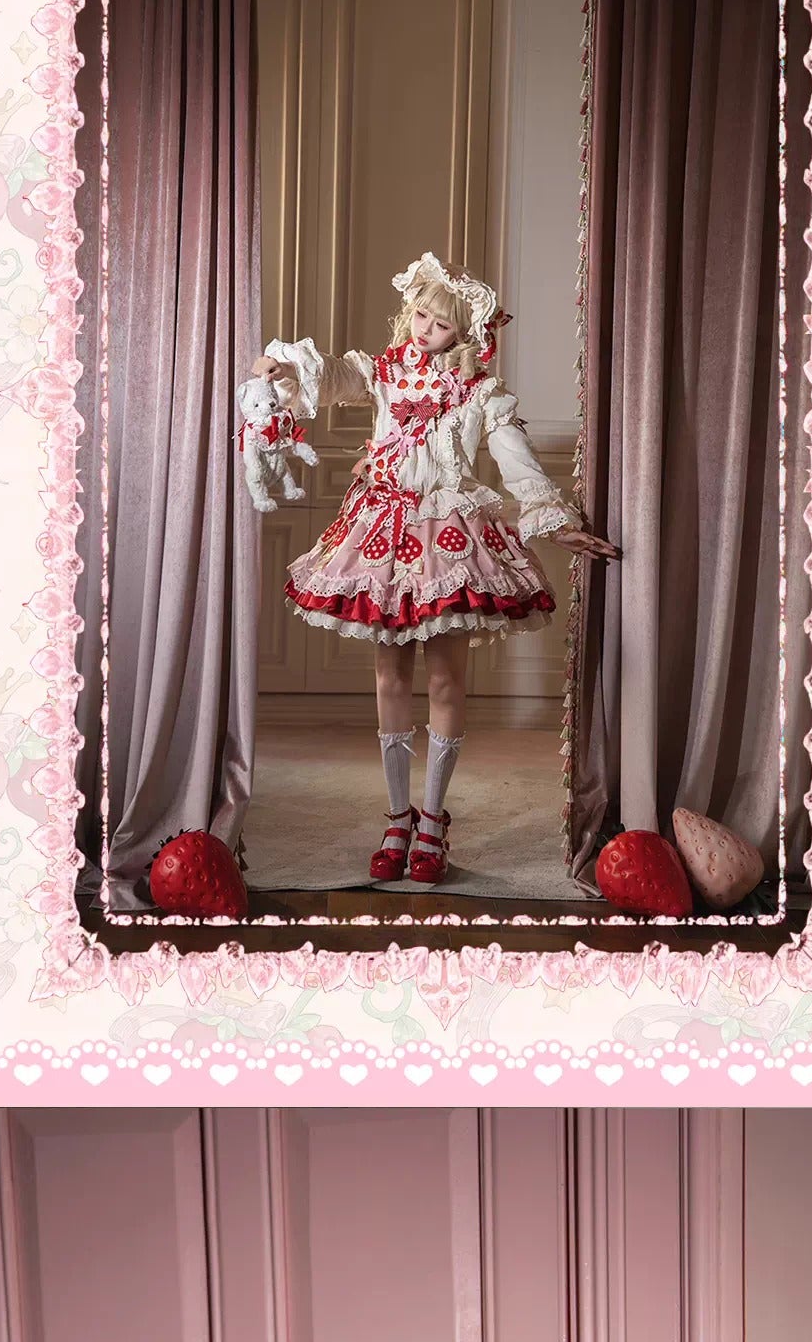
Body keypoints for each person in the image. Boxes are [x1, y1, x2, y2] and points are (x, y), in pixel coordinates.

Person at [240, 246, 604, 884]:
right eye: (420, 315)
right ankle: (396, 818)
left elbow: (514, 457)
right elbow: (333, 376)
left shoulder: (480, 392)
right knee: (389, 679)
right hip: (383, 531)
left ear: (465, 332)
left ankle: (432, 821)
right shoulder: (383, 371)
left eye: (441, 323)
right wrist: (283, 366)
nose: (426, 329)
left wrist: (555, 519)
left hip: (450, 537)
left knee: (444, 681)